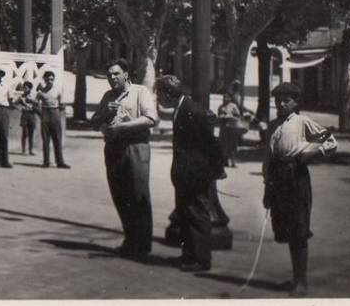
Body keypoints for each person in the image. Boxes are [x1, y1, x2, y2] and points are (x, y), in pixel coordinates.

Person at [262, 82, 337, 298]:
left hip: (297, 178)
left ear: (295, 102)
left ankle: (301, 281)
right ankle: (296, 276)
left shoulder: (303, 122)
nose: (281, 103)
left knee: (299, 228)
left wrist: (312, 154)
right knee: (284, 227)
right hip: (278, 179)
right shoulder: (273, 125)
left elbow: (330, 141)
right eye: (278, 99)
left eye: (286, 99)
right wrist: (267, 187)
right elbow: (268, 159)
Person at [156, 75, 225, 273]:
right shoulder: (181, 108)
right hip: (185, 173)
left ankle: (202, 260)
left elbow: (212, 144)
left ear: (168, 93)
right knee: (186, 213)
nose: (158, 99)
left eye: (159, 94)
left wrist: (215, 170)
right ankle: (189, 255)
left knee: (198, 214)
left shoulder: (193, 110)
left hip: (195, 174)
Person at [93, 58, 157, 260]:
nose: (112, 78)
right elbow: (94, 122)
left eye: (116, 73)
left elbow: (150, 118)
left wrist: (122, 127)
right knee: (120, 196)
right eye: (109, 75)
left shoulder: (140, 92)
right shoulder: (107, 96)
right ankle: (130, 240)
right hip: (113, 149)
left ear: (126, 74)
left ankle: (143, 245)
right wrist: (105, 112)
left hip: (135, 147)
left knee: (138, 196)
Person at [35, 70, 70, 169]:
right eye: (48, 79)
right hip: (45, 113)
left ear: (54, 79)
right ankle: (46, 162)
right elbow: (35, 103)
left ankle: (60, 162)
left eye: (52, 79)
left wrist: (58, 109)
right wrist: (40, 114)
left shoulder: (58, 89)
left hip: (55, 113)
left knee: (57, 138)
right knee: (45, 139)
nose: (50, 81)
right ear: (44, 79)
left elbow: (63, 104)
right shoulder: (41, 92)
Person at [217, 92, 244, 168]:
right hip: (224, 129)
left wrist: (231, 116)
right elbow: (218, 118)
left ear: (230, 98)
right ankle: (224, 161)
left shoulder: (233, 106)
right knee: (223, 146)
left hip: (232, 128)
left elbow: (238, 116)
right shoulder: (221, 107)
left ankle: (233, 161)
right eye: (224, 97)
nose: (225, 99)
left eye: (227, 97)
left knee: (233, 145)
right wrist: (222, 117)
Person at [17, 80, 39, 156]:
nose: (24, 89)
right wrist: (20, 107)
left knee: (31, 133)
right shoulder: (21, 97)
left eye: (26, 88)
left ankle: (31, 150)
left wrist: (32, 101)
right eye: (24, 88)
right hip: (25, 115)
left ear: (30, 89)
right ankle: (23, 150)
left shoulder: (33, 96)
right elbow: (14, 104)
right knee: (25, 133)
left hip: (32, 115)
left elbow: (37, 104)